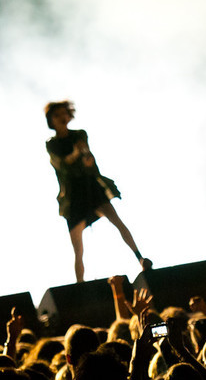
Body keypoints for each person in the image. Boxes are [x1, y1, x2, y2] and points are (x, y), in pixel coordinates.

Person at [44, 100, 151, 282]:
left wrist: (86, 158)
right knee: (77, 245)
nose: (62, 117)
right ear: (51, 120)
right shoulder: (52, 144)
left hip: (90, 186)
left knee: (117, 221)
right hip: (73, 195)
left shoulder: (79, 135)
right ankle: (80, 283)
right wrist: (77, 155)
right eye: (57, 115)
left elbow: (88, 159)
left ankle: (140, 257)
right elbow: (62, 164)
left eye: (64, 113)